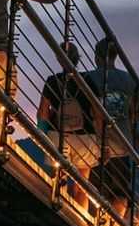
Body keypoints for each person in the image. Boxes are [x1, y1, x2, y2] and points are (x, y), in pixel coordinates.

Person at [82, 37, 139, 226]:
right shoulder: (129, 81)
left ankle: (98, 225)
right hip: (121, 145)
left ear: (96, 55)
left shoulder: (86, 79)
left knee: (96, 190)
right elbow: (136, 108)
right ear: (115, 56)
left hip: (95, 145)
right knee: (121, 194)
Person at [38, 43, 97, 203]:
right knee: (82, 188)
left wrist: (42, 133)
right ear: (78, 58)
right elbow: (97, 114)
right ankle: (78, 224)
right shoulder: (88, 81)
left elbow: (43, 113)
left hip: (58, 134)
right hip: (85, 137)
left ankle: (58, 210)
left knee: (58, 179)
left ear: (59, 58)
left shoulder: (52, 80)